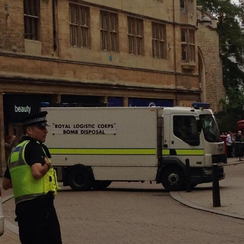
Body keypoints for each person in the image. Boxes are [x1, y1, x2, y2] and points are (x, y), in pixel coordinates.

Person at [2, 111, 62, 244]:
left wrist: (24, 181)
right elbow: (36, 173)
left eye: (45, 127)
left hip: (23, 210)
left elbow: (6, 184)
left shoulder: (16, 150)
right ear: (29, 130)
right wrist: (47, 165)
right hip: (41, 208)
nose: (45, 131)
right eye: (41, 128)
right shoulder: (35, 147)